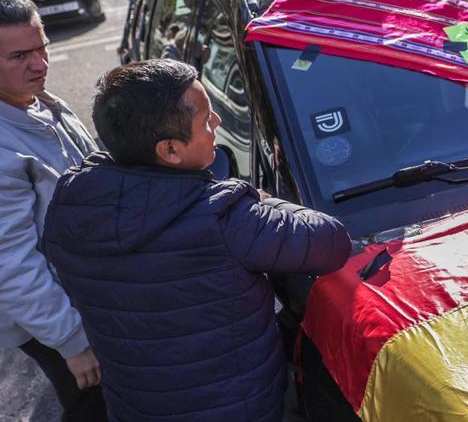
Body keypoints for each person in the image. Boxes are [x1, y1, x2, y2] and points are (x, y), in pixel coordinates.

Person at [43, 59, 351, 422]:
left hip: (137, 407)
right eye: (205, 120)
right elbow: (331, 241)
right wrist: (263, 200)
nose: (218, 122)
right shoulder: (224, 218)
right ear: (170, 150)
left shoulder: (71, 205)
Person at [0, 0, 106, 421]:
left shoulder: (38, 102)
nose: (40, 64)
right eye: (20, 55)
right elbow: (10, 264)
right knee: (94, 407)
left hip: (81, 294)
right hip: (54, 317)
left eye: (42, 48)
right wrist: (72, 343)